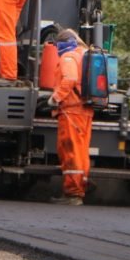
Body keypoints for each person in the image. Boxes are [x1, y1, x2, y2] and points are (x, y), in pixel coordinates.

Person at [47, 29, 94, 206]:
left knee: (70, 151)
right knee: (81, 151)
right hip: (84, 110)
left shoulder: (68, 57)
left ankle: (73, 193)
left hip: (71, 110)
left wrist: (55, 98)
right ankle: (81, 186)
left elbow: (70, 79)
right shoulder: (85, 54)